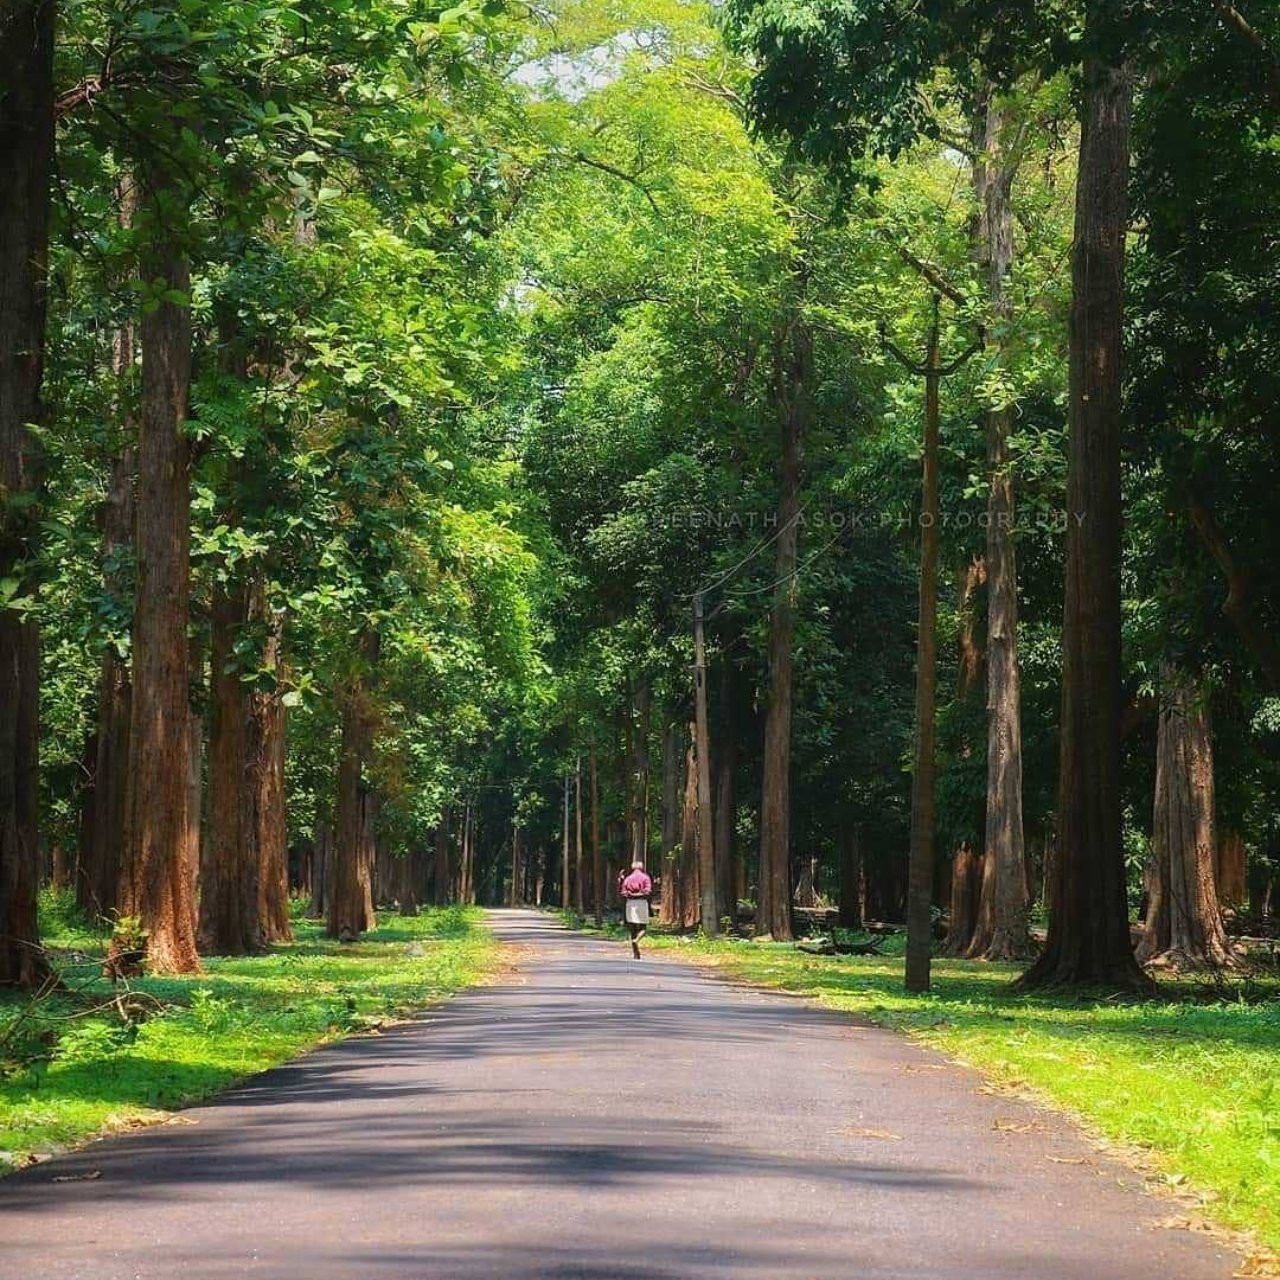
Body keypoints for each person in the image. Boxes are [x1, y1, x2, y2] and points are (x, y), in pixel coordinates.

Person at [617, 859, 652, 959]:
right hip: (642, 903)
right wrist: (639, 894)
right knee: (643, 927)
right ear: (642, 868)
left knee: (632, 928)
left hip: (630, 903)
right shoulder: (645, 878)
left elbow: (623, 892)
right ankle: (637, 940)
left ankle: (635, 953)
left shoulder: (628, 879)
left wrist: (631, 894)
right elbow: (648, 891)